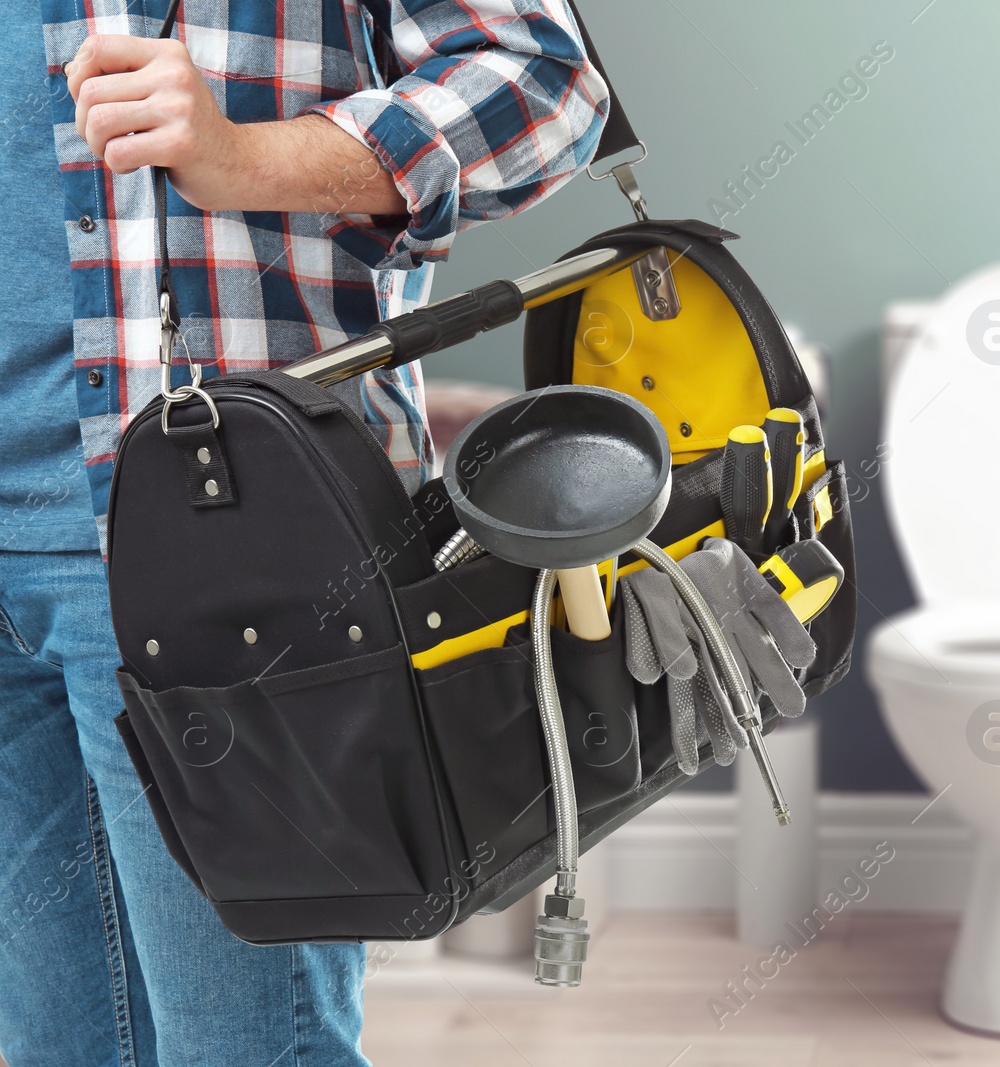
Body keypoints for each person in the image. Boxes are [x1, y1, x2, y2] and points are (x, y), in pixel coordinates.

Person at [0, 1, 608, 1063]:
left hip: (212, 541)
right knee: (59, 1042)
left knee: (247, 1045)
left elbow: (547, 85)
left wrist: (250, 158)